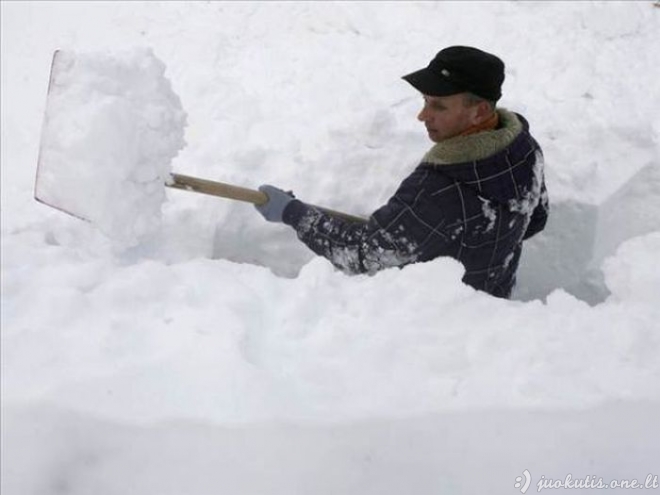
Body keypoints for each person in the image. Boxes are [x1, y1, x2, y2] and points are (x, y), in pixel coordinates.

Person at [254, 46, 548, 298]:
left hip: (442, 326)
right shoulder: (523, 149)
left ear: (480, 111)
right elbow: (535, 220)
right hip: (495, 301)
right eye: (424, 101)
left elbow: (365, 254)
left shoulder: (438, 187)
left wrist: (292, 212)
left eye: (439, 106)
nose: (422, 116)